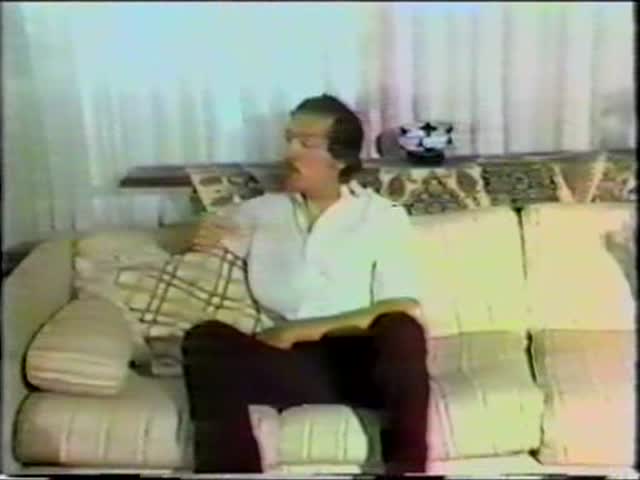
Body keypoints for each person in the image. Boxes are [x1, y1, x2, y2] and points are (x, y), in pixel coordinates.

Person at [183, 94, 429, 474]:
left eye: (305, 143)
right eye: (288, 140)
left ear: (340, 159)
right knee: (205, 339)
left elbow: (399, 304)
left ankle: (406, 471)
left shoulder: (382, 217)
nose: (289, 153)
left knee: (402, 329)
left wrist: (298, 331)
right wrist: (193, 234)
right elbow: (201, 235)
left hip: (361, 364)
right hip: (292, 367)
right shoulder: (262, 212)